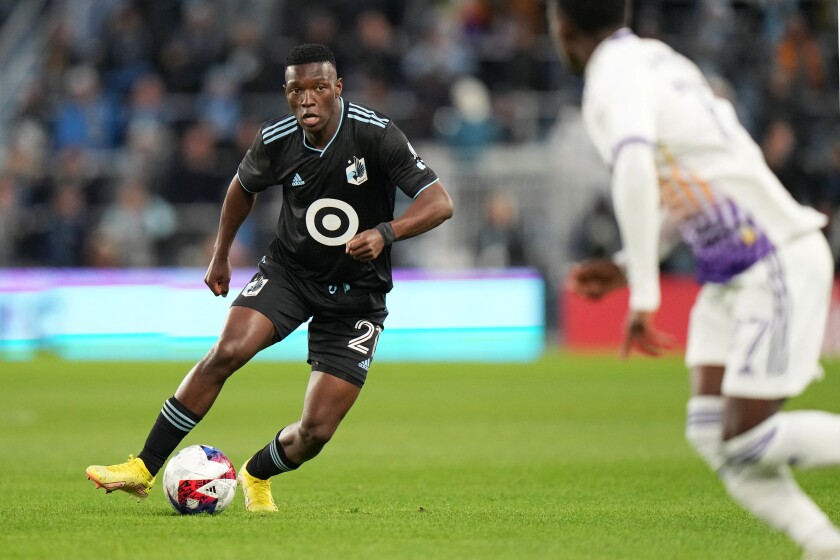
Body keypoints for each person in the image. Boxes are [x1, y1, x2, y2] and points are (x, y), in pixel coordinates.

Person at [86, 43, 454, 512]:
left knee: (316, 431)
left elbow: (439, 202)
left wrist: (387, 232)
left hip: (358, 297)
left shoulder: (375, 134)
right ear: (286, 93)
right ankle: (143, 466)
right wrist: (220, 256)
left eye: (319, 87)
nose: (307, 99)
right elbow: (241, 189)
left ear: (337, 88)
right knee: (228, 350)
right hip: (291, 273)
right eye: (296, 90)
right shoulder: (277, 139)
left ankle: (256, 473)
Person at [547, 2, 840, 559]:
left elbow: (635, 166)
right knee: (714, 436)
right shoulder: (660, 61)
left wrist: (645, 293)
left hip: (772, 257)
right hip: (732, 274)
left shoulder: (612, 76)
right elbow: (687, 179)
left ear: (560, 26)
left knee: (749, 438)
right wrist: (631, 263)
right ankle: (824, 547)